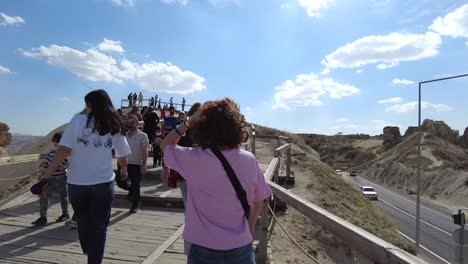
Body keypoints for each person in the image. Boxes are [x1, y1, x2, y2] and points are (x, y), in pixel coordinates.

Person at [160, 98, 272, 263]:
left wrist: (188, 122)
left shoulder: (193, 158)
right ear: (236, 128)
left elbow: (165, 146)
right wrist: (248, 228)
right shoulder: (249, 160)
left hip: (203, 245)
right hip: (240, 246)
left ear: (202, 129)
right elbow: (258, 201)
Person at [42, 89, 130, 264]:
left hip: (77, 183)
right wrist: (124, 170)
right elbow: (122, 155)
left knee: (82, 219)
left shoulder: (78, 120)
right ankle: (93, 256)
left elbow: (64, 149)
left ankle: (90, 249)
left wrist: (47, 173)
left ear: (90, 104)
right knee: (100, 226)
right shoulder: (114, 124)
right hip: (103, 183)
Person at [32, 132, 70, 226]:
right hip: (50, 178)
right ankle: (43, 217)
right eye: (54, 140)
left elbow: (64, 167)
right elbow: (46, 165)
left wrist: (58, 165)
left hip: (61, 178)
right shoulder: (51, 153)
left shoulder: (67, 154)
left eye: (57, 141)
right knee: (43, 194)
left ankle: (65, 214)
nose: (55, 142)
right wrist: (41, 174)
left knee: (63, 196)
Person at [115, 115, 149, 213]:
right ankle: (132, 192)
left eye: (133, 122)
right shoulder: (123, 135)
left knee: (135, 185)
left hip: (136, 164)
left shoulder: (143, 135)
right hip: (123, 163)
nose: (130, 125)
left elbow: (144, 151)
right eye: (129, 123)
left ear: (137, 123)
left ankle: (135, 204)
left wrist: (144, 164)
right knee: (120, 183)